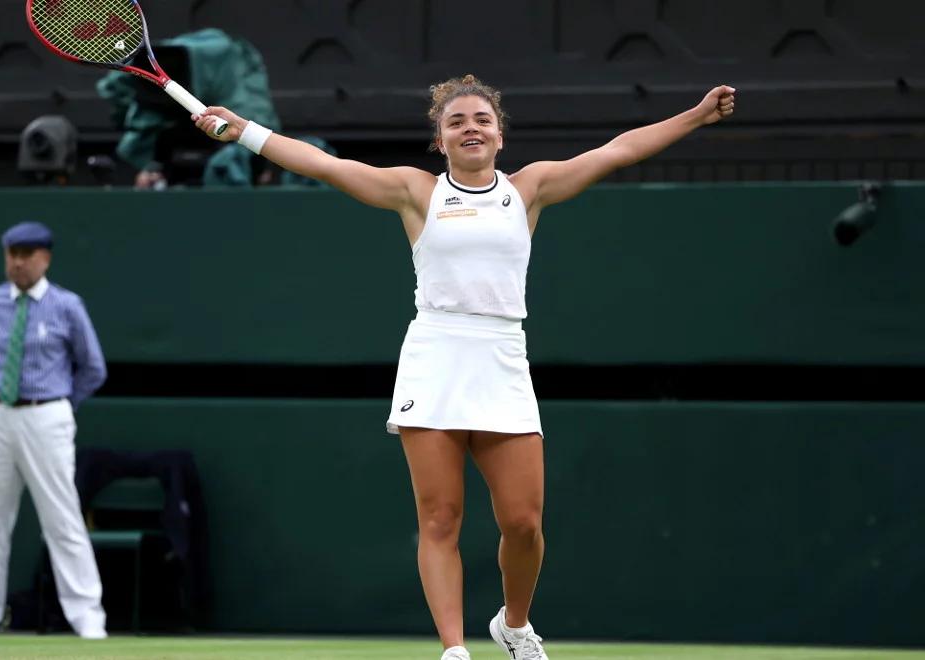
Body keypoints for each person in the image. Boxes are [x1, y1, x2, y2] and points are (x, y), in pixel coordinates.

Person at [191, 75, 736, 660]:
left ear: (499, 136)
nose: (470, 128)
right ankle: (454, 650)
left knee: (524, 523)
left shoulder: (530, 189)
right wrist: (245, 131)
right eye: (456, 122)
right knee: (440, 518)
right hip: (435, 357)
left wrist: (696, 116)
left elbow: (619, 150)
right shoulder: (414, 191)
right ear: (440, 141)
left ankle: (514, 625)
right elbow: (324, 164)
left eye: (481, 120)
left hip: (502, 359)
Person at [0, 221, 109, 639]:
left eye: (26, 254)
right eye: (11, 253)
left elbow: (92, 367)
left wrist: (60, 404)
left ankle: (86, 613)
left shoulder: (67, 306)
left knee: (62, 517)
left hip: (46, 415)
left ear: (45, 258)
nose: (17, 262)